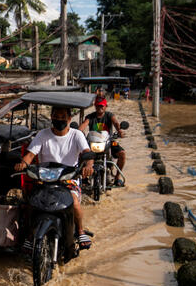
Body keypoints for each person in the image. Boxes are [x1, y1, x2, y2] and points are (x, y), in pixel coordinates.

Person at [15, 106, 94, 250]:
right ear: (51, 117)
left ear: (69, 119)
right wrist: (23, 164)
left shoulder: (77, 135)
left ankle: (80, 230)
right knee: (30, 203)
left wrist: (88, 166)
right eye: (56, 117)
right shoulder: (42, 134)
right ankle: (29, 235)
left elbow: (87, 153)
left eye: (63, 117)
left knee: (75, 203)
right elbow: (30, 155)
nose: (59, 120)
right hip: (44, 178)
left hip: (69, 179)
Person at [79, 97, 126, 186]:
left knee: (122, 153)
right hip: (92, 143)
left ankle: (117, 177)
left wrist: (119, 130)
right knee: (80, 153)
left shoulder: (109, 115)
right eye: (97, 106)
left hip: (108, 141)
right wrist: (78, 132)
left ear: (106, 106)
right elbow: (84, 124)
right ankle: (83, 177)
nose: (99, 107)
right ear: (95, 106)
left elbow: (115, 122)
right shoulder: (90, 117)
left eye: (101, 106)